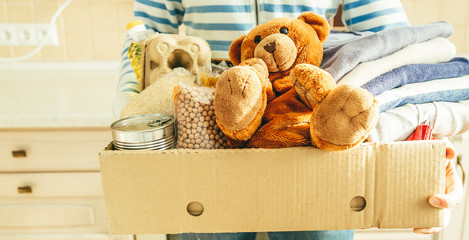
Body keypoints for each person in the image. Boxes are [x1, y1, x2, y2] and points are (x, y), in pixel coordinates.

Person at [114, 1, 464, 239]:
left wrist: (425, 152)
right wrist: (132, 119)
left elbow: (398, 56)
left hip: (316, 129)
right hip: (208, 122)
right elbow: (143, 47)